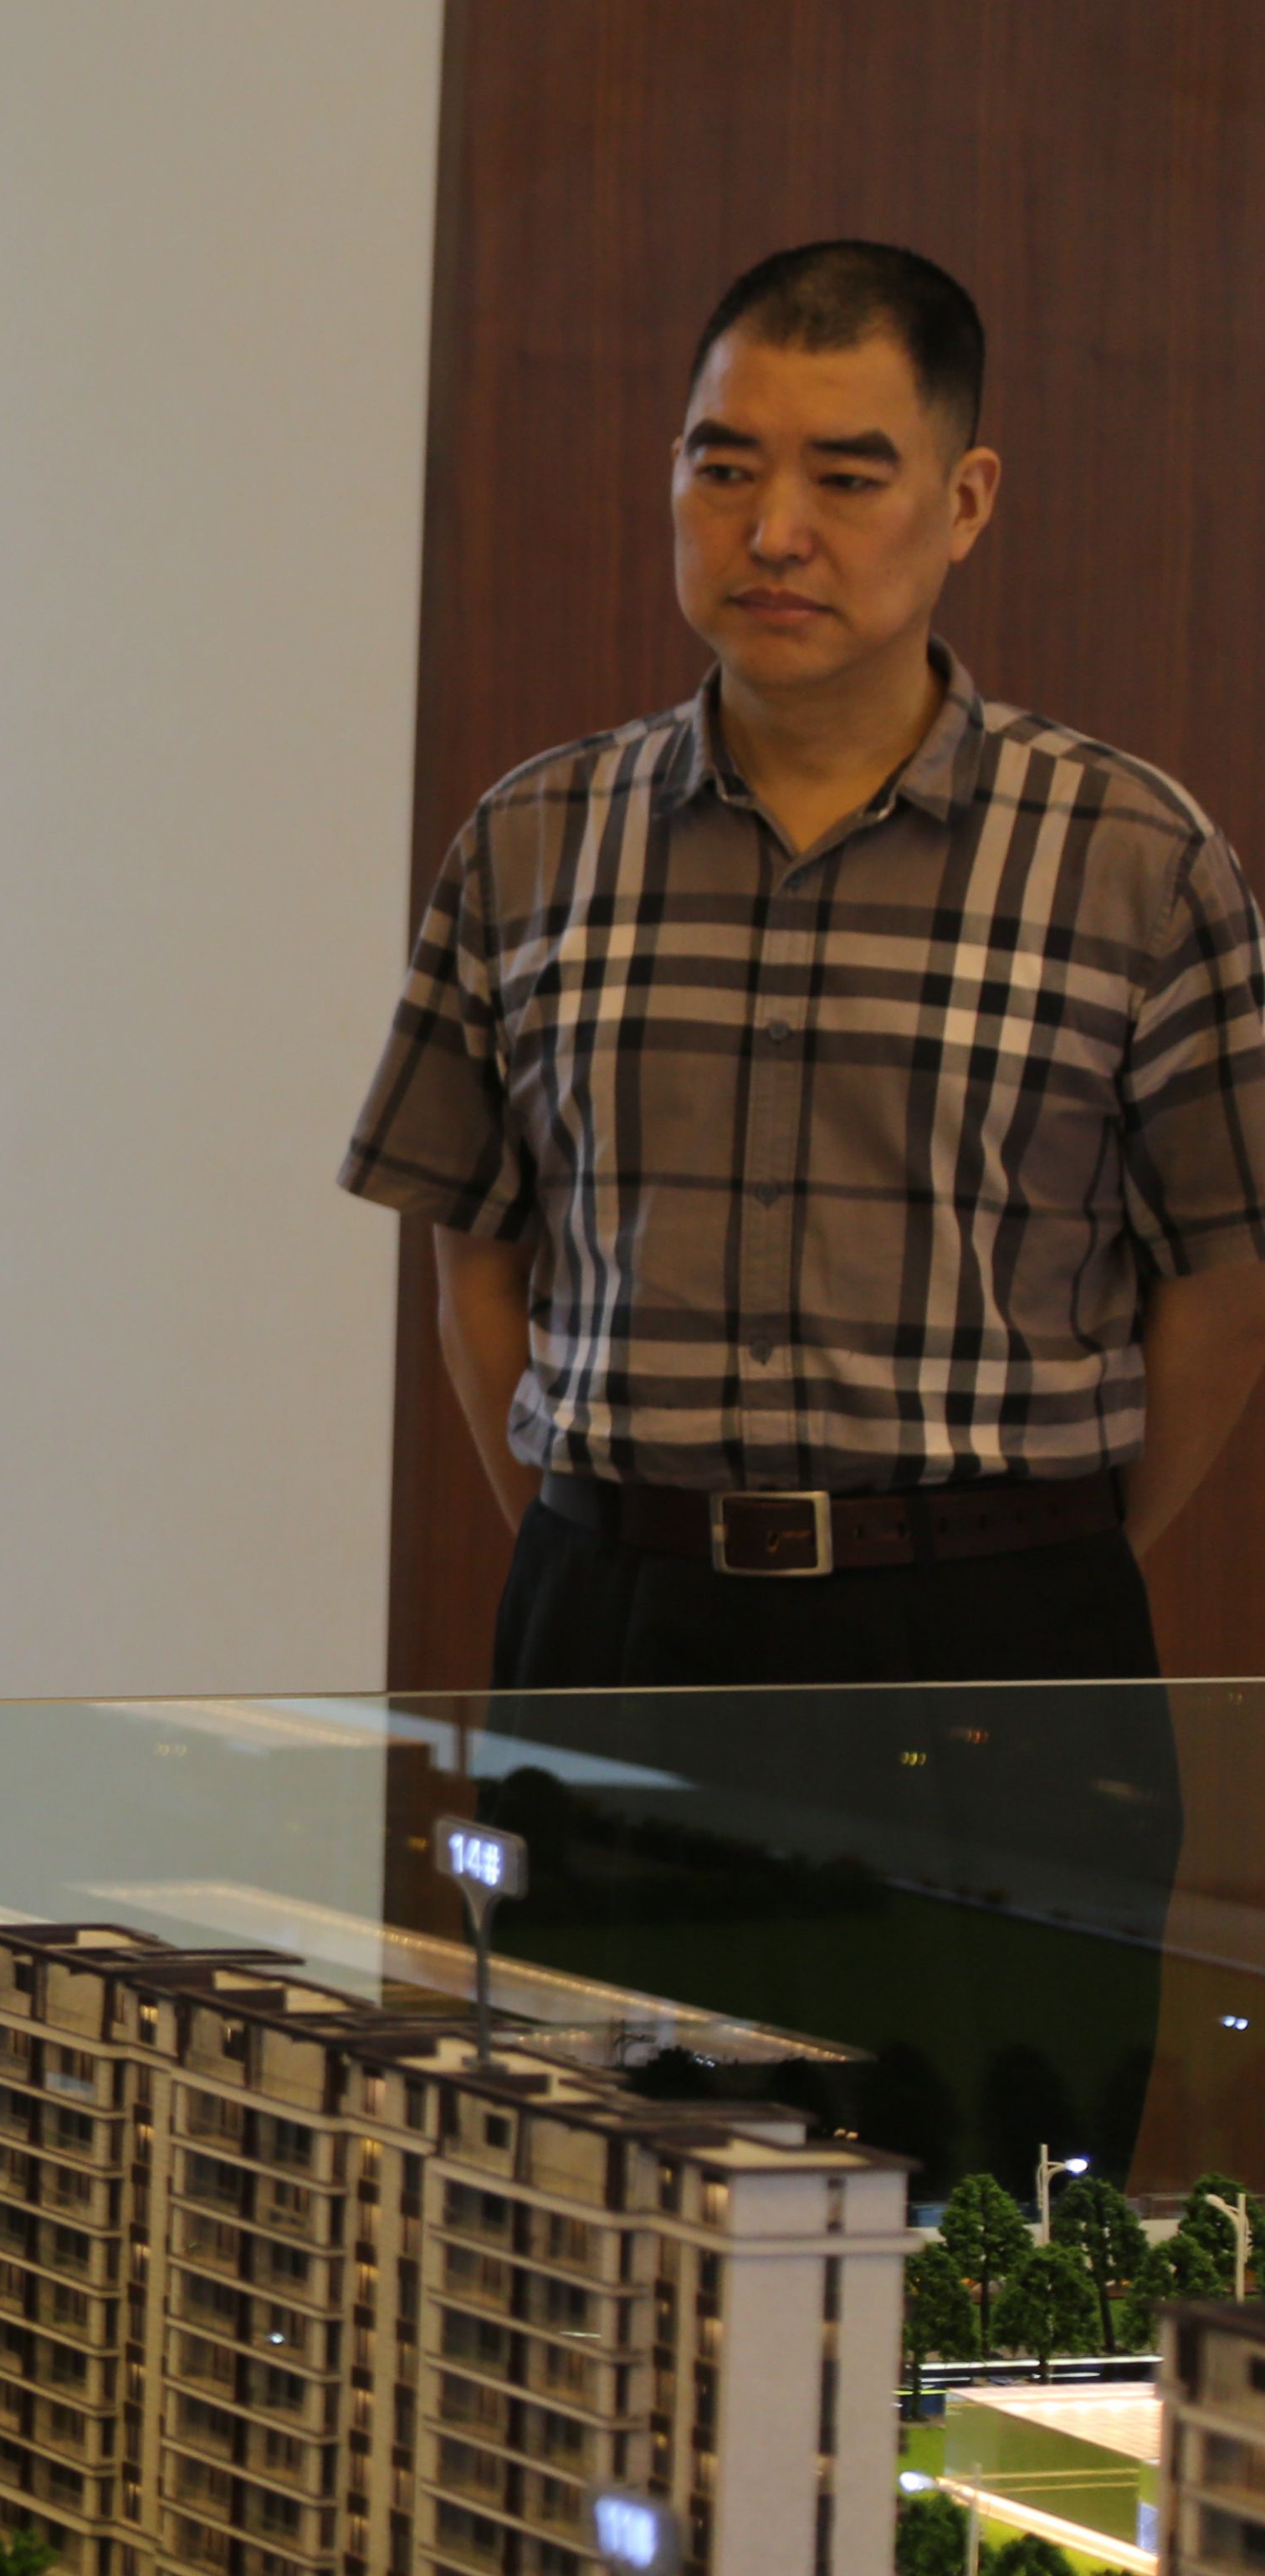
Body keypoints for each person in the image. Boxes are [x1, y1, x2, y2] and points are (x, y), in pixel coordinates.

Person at [342, 240, 1265, 2177]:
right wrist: (619, 1540)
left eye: (848, 473)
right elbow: (477, 1269)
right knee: (594, 2232)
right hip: (618, 1636)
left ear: (966, 499)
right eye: (723, 464)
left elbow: (1222, 1290)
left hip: (996, 1652)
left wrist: (1036, 1553)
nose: (776, 529)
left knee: (990, 2241)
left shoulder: (1135, 858)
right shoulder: (533, 840)